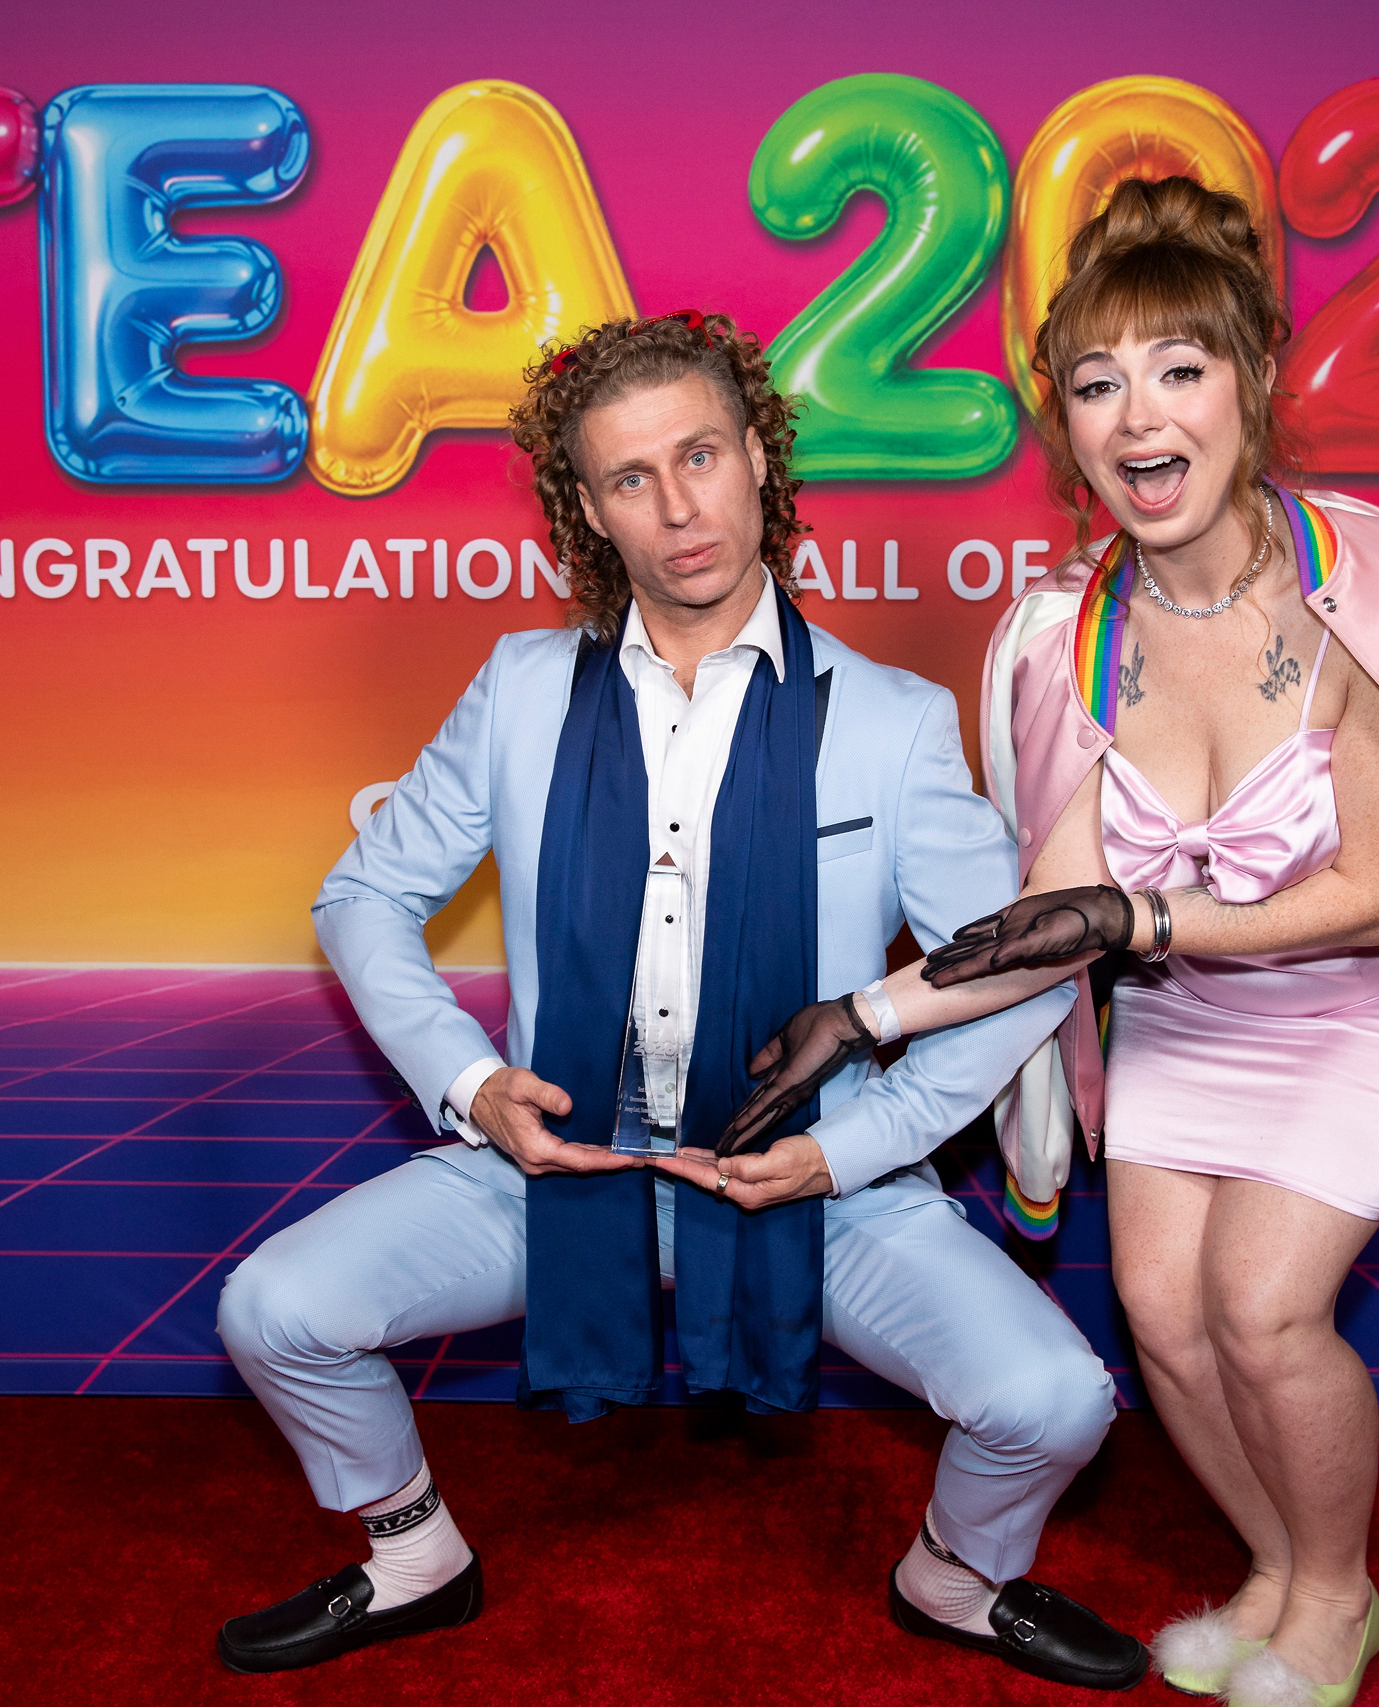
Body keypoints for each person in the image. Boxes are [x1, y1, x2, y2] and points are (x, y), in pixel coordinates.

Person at [211, 309, 1150, 1691]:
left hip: (809, 1180)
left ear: (760, 457)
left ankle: (956, 1575)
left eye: (700, 456)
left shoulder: (888, 718)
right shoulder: (523, 689)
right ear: (590, 511)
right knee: (275, 1309)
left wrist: (851, 1150)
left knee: (1055, 1400)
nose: (678, 507)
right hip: (563, 1161)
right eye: (631, 478)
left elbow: (1009, 975)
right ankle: (413, 1556)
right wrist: (474, 1085)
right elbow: (362, 895)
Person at [723, 180, 1379, 1707]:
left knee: (1262, 1308)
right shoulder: (1067, 631)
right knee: (1168, 1324)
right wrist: (862, 1014)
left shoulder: (1374, 586)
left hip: (1363, 1006)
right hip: (1193, 1015)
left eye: (1181, 368)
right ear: (1067, 427)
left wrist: (1148, 916)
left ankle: (1340, 1596)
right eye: (1099, 384)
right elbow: (1051, 922)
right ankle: (1279, 1568)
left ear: (1255, 382)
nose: (1140, 416)